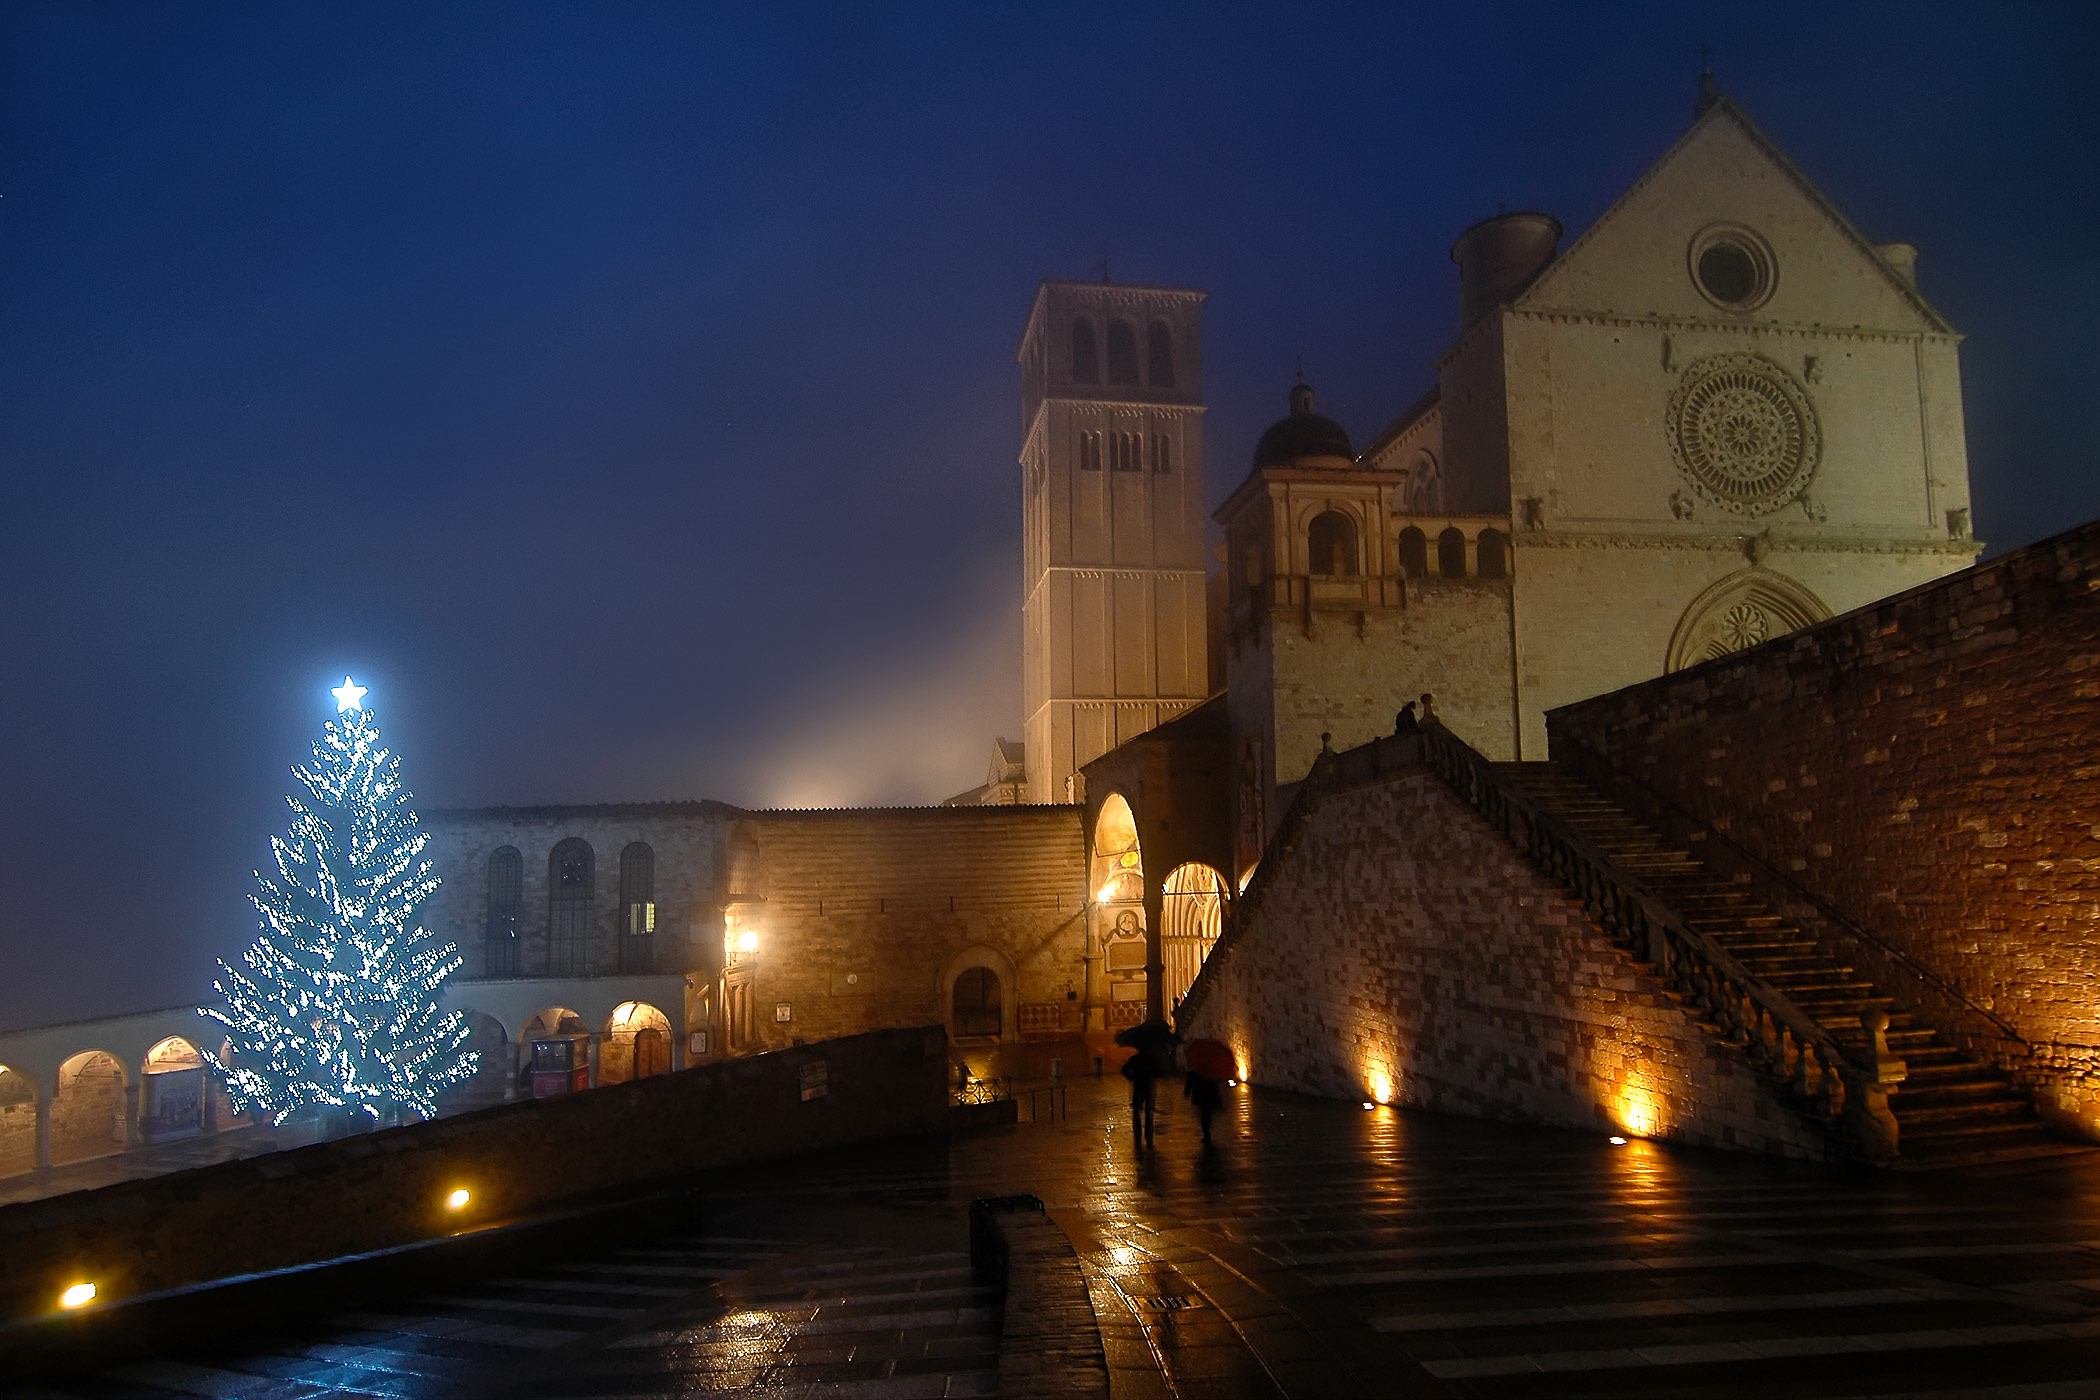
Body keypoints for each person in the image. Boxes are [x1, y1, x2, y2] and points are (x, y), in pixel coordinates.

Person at [1114, 1018, 1178, 1147]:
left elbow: (1125, 1070)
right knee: (1149, 1111)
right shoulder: (1152, 1059)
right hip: (1148, 1086)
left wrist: (1131, 1077)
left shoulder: (1135, 1059)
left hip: (1138, 1086)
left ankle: (1137, 1134)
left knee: (1137, 1111)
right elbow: (1160, 1071)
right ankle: (1148, 1136)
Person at [1183, 1068, 1222, 1145]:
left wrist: (1187, 1091)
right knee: (1207, 1113)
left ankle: (1207, 1133)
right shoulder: (1211, 1067)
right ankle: (1208, 1132)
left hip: (1200, 1094)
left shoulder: (1197, 1067)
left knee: (1204, 1114)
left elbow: (1190, 1079)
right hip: (1210, 1092)